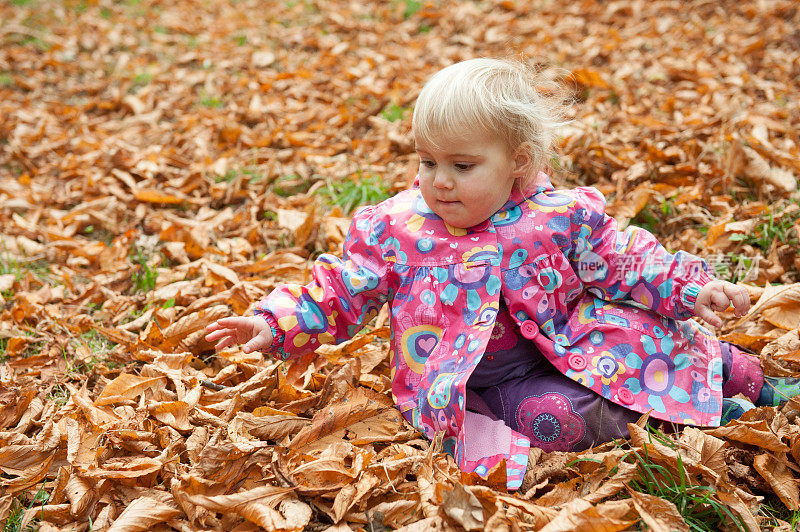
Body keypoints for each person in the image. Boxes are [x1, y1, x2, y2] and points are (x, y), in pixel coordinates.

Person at [205, 58, 800, 491]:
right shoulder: (398, 232)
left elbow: (618, 261)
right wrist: (274, 323)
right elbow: (341, 286)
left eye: (462, 166)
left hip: (574, 336)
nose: (438, 181)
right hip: (488, 381)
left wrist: (691, 286)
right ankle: (705, 417)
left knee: (673, 344)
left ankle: (756, 387)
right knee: (567, 418)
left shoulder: (555, 218)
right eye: (427, 160)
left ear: (517, 162)